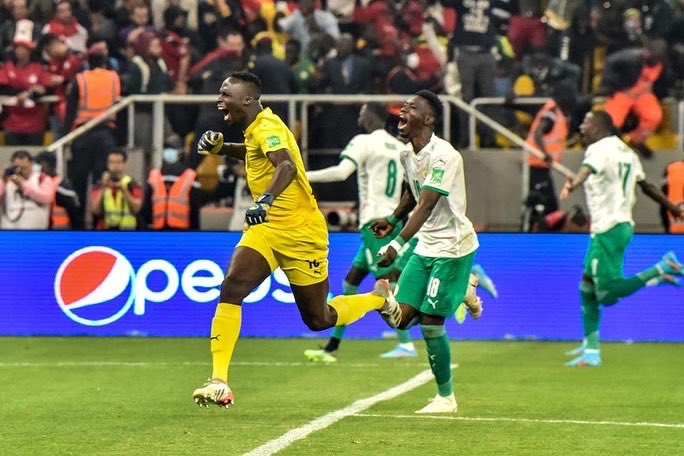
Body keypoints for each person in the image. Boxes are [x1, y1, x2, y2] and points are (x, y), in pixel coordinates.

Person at [190, 71, 398, 408]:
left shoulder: (269, 128)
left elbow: (284, 166)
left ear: (247, 99)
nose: (219, 100)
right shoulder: (258, 128)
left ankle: (377, 298)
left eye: (225, 94)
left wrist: (265, 200)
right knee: (232, 286)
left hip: (302, 232)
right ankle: (219, 381)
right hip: (267, 228)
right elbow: (254, 153)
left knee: (319, 319)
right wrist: (223, 149)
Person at [303, 102, 497, 364]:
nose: (359, 117)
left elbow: (342, 172)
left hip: (375, 221)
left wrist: (301, 176)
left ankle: (406, 341)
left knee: (389, 282)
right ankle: (332, 346)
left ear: (370, 116)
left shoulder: (364, 141)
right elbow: (410, 189)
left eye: (361, 112)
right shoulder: (400, 147)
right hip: (395, 217)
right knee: (351, 281)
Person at [344, 90, 483, 414]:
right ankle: (462, 289)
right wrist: (391, 220)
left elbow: (427, 202)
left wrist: (396, 243)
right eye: (403, 106)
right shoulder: (408, 154)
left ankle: (446, 398)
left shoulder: (445, 155)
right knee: (400, 319)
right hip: (426, 244)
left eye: (412, 107)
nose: (403, 110)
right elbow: (411, 192)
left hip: (453, 246)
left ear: (428, 119)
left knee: (432, 322)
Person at [559, 110, 683, 368]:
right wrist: (672, 207)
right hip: (617, 226)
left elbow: (585, 170)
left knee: (607, 294)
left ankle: (660, 268)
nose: (582, 127)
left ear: (599, 126)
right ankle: (591, 350)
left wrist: (573, 184)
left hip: (609, 228)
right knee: (587, 287)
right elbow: (647, 185)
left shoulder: (598, 149)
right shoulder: (626, 151)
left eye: (586, 122)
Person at [64, 43, 120, 215]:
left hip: (83, 134)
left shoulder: (79, 79)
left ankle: (79, 221)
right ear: (104, 60)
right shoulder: (114, 77)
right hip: (106, 135)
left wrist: (67, 137)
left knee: (79, 180)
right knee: (101, 181)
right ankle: (99, 221)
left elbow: (70, 112)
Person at [524, 82, 575, 231]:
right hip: (537, 164)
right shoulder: (552, 111)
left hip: (544, 166)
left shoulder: (558, 112)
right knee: (549, 207)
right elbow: (539, 132)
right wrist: (545, 154)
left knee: (548, 206)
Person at [142, 145, 202, 230]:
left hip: (181, 230)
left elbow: (195, 206)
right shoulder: (154, 174)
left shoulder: (190, 175)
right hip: (159, 228)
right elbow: (147, 204)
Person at [0, 150, 56, 229]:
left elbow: (47, 197)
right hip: (10, 234)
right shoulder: (6, 181)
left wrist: (23, 184)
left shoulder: (42, 178)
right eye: (17, 167)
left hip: (36, 232)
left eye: (25, 168)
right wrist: (2, 180)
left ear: (31, 163)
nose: (21, 171)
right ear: (12, 165)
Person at [90, 149, 143, 230]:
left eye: (119, 162)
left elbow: (137, 209)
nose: (115, 166)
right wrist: (103, 187)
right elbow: (95, 210)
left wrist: (124, 190)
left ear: (125, 164)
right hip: (106, 231)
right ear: (107, 164)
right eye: (112, 162)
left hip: (128, 232)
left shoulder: (132, 184)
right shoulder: (99, 184)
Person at [36, 151, 83, 229]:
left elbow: (75, 215)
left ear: (47, 165)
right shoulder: (36, 185)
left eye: (40, 166)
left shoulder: (63, 187)